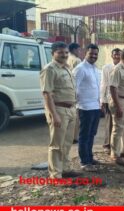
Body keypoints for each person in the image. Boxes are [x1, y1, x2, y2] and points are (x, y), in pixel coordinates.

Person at [40, 41, 79, 178]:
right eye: (60, 52)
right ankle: (55, 174)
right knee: (56, 144)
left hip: (71, 109)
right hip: (59, 110)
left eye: (66, 52)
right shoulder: (49, 69)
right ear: (53, 53)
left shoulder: (67, 68)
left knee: (67, 142)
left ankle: (66, 169)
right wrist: (54, 115)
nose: (64, 55)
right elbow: (47, 94)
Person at [74, 44, 101, 172]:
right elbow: (74, 88)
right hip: (85, 107)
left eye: (96, 54)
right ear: (85, 53)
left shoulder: (95, 69)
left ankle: (90, 157)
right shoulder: (80, 69)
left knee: (92, 134)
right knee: (84, 135)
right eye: (91, 54)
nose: (94, 56)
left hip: (95, 106)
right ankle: (84, 161)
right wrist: (76, 104)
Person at [100, 48, 121, 154]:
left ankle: (119, 146)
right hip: (109, 98)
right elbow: (104, 84)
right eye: (115, 55)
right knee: (109, 122)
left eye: (119, 55)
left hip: (121, 98)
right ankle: (107, 144)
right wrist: (102, 100)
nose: (117, 56)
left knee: (120, 123)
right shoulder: (106, 68)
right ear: (112, 56)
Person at [67, 43, 82, 144]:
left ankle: (68, 135)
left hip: (67, 89)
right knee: (75, 115)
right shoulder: (77, 60)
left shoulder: (66, 59)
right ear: (74, 50)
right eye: (78, 49)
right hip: (74, 89)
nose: (79, 51)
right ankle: (74, 137)